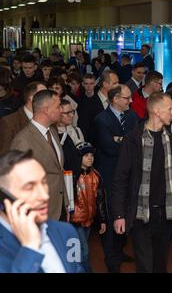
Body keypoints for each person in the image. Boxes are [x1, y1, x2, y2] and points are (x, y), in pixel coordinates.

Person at [111, 92, 172, 273]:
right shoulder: (133, 140)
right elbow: (120, 179)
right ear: (157, 111)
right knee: (145, 267)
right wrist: (119, 214)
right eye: (170, 109)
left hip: (166, 215)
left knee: (160, 266)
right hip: (140, 216)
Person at [0, 150, 84, 273]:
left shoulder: (67, 232)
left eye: (44, 182)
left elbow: (78, 270)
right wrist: (30, 248)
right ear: (3, 197)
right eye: (29, 187)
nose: (45, 196)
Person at [95, 84, 138, 273]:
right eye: (127, 98)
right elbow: (108, 148)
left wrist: (119, 139)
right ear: (115, 99)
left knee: (126, 214)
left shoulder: (132, 116)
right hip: (110, 176)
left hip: (129, 175)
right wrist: (125, 141)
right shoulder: (101, 119)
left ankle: (119, 251)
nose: (131, 101)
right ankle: (111, 258)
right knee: (113, 215)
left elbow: (137, 142)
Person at [10, 89, 67, 221]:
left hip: (59, 210)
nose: (61, 110)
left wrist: (66, 204)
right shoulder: (23, 140)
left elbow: (58, 172)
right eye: (58, 106)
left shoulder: (52, 132)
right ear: (46, 110)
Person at [70, 142, 107, 273]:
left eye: (91, 155)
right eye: (86, 155)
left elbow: (100, 200)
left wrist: (102, 220)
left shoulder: (96, 175)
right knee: (83, 250)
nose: (90, 158)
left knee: (80, 250)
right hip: (75, 221)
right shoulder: (73, 176)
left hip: (89, 220)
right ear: (79, 157)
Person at [0, 82, 47, 155]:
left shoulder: (49, 120)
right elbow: (5, 157)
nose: (49, 99)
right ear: (32, 98)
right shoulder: (9, 122)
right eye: (44, 95)